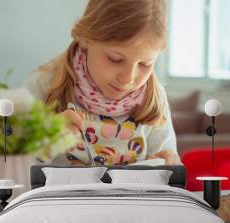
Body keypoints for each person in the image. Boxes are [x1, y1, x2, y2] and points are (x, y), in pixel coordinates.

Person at [27, 0, 182, 166]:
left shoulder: (154, 97)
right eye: (115, 59)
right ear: (85, 38)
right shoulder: (43, 86)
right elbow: (17, 173)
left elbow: (169, 166)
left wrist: (170, 167)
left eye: (145, 64)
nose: (128, 78)